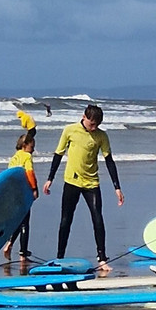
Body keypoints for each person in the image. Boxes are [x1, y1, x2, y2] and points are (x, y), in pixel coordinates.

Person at [43, 104, 124, 270]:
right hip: (71, 181)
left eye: (97, 125)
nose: (94, 128)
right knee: (66, 219)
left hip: (91, 183)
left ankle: (102, 258)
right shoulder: (70, 130)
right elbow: (58, 154)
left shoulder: (102, 136)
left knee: (97, 217)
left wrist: (117, 187)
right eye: (91, 124)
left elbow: (109, 161)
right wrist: (50, 178)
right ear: (84, 117)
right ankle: (59, 257)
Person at [3, 111, 40, 260]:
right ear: (25, 146)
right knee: (25, 223)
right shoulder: (26, 156)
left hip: (12, 192)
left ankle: (12, 244)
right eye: (32, 146)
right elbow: (30, 173)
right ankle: (21, 252)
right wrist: (34, 189)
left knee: (19, 219)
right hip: (23, 192)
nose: (33, 149)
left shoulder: (14, 157)